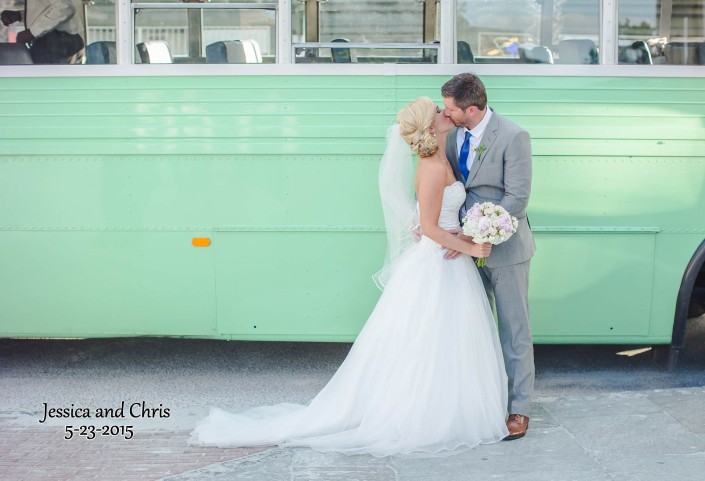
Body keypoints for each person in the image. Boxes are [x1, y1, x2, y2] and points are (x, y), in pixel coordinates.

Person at [189, 97, 509, 457]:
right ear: (429, 126)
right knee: (429, 342)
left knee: (449, 344)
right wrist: (472, 248)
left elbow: (430, 223)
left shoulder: (440, 157)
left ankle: (451, 408)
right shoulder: (433, 168)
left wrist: (465, 236)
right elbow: (432, 229)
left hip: (449, 261)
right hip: (439, 264)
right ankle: (426, 415)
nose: (443, 112)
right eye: (437, 111)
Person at [441, 73, 536, 440]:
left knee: (514, 330)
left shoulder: (514, 137)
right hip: (466, 251)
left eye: (451, 109)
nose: (445, 114)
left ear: (473, 108)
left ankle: (519, 408)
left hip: (507, 248)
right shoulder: (451, 136)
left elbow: (516, 200)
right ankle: (483, 401)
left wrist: (475, 233)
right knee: (473, 327)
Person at [1, 0, 85, 64]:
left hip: (58, 43)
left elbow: (65, 7)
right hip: (51, 43)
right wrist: (21, 15)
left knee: (50, 83)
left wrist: (32, 32)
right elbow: (49, 7)